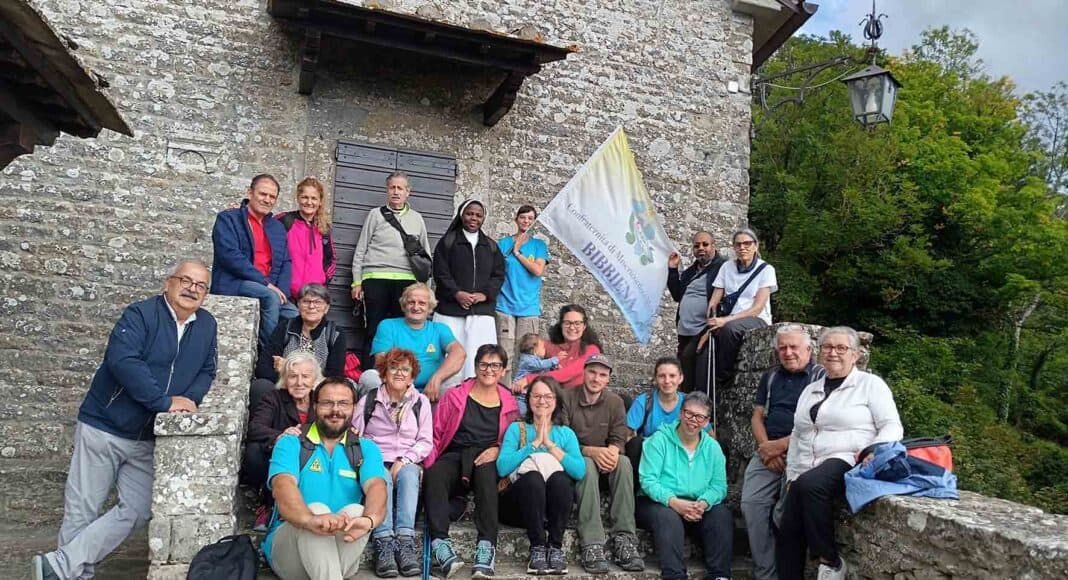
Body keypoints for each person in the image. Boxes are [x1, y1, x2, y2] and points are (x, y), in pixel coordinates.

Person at [32, 260, 218, 580]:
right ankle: (74, 575)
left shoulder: (207, 325)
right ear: (168, 282)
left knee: (138, 510)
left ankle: (59, 566)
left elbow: (207, 370)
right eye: (185, 280)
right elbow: (124, 362)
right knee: (82, 512)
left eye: (200, 285)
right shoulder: (140, 314)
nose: (192, 289)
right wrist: (163, 403)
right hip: (105, 426)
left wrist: (191, 401)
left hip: (147, 437)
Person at [777, 327, 903, 580]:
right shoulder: (811, 390)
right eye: (827, 347)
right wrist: (791, 475)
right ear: (820, 352)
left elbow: (892, 425)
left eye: (841, 348)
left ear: (855, 355)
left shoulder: (870, 385)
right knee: (788, 528)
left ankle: (830, 561)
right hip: (805, 466)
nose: (833, 353)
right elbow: (799, 434)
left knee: (811, 485)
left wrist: (874, 449)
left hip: (849, 457)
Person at [263, 377, 389, 580]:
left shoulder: (365, 448)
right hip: (290, 550)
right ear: (315, 406)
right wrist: (310, 520)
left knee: (358, 511)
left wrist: (370, 520)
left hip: (340, 553)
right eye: (327, 403)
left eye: (343, 403)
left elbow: (376, 486)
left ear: (354, 408)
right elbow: (282, 486)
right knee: (317, 510)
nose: (335, 410)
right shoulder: (291, 443)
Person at [423, 345, 520, 578]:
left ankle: (486, 546)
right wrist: (427, 466)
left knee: (487, 475)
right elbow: (435, 434)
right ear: (476, 367)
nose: (489, 370)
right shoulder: (455, 396)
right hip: (456, 453)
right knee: (435, 474)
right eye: (484, 364)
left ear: (503, 370)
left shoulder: (510, 403)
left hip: (488, 456)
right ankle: (441, 545)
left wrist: (497, 450)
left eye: (495, 365)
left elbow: (513, 439)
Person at [740, 324, 825, 580]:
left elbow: (819, 423)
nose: (788, 352)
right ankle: (766, 574)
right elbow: (757, 416)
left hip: (803, 453)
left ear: (809, 349)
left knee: (784, 514)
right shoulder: (771, 376)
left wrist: (780, 447)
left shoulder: (821, 377)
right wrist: (766, 448)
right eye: (783, 348)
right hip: (767, 450)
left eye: (794, 347)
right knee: (751, 504)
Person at [352, 348, 433, 578]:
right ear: (384, 373)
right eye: (394, 368)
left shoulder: (421, 402)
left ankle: (406, 541)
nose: (399, 373)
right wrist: (373, 458)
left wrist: (405, 459)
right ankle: (384, 541)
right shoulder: (369, 400)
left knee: (408, 474)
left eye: (405, 369)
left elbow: (425, 441)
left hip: (407, 459)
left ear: (412, 376)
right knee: (382, 478)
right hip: (375, 459)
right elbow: (356, 436)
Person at [560, 354, 644, 574]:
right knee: (586, 465)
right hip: (576, 460)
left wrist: (612, 453)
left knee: (624, 463)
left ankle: (624, 538)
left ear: (608, 379)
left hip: (605, 462)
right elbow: (561, 440)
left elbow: (618, 438)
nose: (596, 378)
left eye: (602, 375)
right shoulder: (567, 398)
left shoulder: (615, 402)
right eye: (592, 372)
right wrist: (590, 451)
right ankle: (592, 543)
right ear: (584, 373)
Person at [637, 392, 733, 580]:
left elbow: (719, 486)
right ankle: (674, 575)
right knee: (668, 517)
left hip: (696, 507)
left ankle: (719, 575)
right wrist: (674, 502)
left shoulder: (713, 448)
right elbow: (648, 480)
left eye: (700, 417)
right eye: (688, 413)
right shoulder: (659, 440)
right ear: (680, 414)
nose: (692, 420)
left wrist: (703, 504)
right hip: (658, 503)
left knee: (722, 514)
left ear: (706, 422)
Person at [497, 376, 584, 575]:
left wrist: (550, 445)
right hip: (519, 506)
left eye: (548, 397)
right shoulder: (516, 429)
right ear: (528, 400)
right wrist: (535, 443)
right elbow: (502, 468)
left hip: (551, 510)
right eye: (536, 396)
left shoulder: (565, 434)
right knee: (533, 478)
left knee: (562, 480)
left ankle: (555, 547)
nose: (542, 401)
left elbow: (579, 471)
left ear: (556, 401)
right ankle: (537, 547)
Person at [351, 171, 432, 371]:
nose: (396, 192)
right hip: (375, 278)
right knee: (374, 329)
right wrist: (356, 281)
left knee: (403, 330)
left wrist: (426, 290)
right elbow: (361, 248)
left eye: (400, 188)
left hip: (407, 282)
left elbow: (425, 256)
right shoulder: (375, 215)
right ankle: (369, 375)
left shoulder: (417, 218)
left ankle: (400, 373)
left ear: (408, 192)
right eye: (392, 188)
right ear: (387, 190)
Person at [211, 173, 298, 347]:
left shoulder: (277, 227)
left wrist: (281, 291)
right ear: (250, 193)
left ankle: (293, 364)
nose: (267, 200)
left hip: (268, 286)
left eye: (272, 196)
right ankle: (267, 355)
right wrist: (267, 285)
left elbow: (286, 262)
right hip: (235, 282)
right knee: (270, 297)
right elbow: (230, 256)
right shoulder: (229, 218)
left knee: (297, 316)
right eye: (263, 194)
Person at [243, 351, 322, 532]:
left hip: (313, 455)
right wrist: (280, 435)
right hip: (280, 459)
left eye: (305, 376)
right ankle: (268, 504)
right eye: (293, 376)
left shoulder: (321, 400)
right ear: (285, 379)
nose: (299, 382)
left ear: (314, 379)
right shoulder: (274, 397)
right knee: (254, 452)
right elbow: (255, 427)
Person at [432, 199, 506, 382]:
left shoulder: (490, 246)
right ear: (461, 215)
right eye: (470, 214)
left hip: (481, 313)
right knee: (450, 360)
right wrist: (457, 293)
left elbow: (498, 275)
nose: (474, 218)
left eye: (478, 215)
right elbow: (440, 272)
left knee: (479, 360)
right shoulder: (447, 242)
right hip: (450, 311)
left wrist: (485, 294)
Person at [697, 228, 778, 394]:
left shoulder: (766, 270)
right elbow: (714, 299)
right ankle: (701, 394)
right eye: (738, 244)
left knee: (729, 329)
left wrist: (725, 320)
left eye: (747, 243)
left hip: (755, 318)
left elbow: (757, 308)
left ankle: (723, 379)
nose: (743, 247)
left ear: (756, 246)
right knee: (700, 348)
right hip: (726, 319)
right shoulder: (727, 267)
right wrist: (711, 319)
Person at [358, 282, 465, 402]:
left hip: (429, 389)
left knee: (454, 382)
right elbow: (381, 361)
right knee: (369, 377)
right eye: (411, 302)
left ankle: (440, 421)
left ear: (430, 307)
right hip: (394, 385)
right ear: (404, 305)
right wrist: (405, 386)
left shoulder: (439, 329)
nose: (416, 307)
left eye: (422, 303)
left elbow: (459, 353)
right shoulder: (387, 325)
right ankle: (380, 419)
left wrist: (437, 378)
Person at [251, 283, 346, 411]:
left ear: (326, 307)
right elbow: (263, 367)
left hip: (316, 392)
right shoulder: (285, 327)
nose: (311, 306)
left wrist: (287, 369)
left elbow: (335, 376)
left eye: (317, 302)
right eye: (306, 301)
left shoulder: (335, 334)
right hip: (283, 388)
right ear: (298, 305)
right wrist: (290, 383)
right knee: (260, 386)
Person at [495, 205, 550, 384]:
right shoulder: (503, 244)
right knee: (505, 354)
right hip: (505, 306)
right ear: (516, 218)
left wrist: (518, 252)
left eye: (530, 218)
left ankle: (521, 396)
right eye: (523, 217)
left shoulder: (538, 246)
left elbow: (538, 270)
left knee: (528, 357)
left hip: (528, 308)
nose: (526, 221)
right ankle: (503, 395)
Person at [667, 231, 726, 391]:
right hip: (684, 328)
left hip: (703, 327)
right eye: (696, 245)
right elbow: (677, 294)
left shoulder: (723, 268)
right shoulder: (690, 272)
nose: (701, 248)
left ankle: (692, 403)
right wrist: (673, 270)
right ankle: (686, 403)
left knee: (688, 359)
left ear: (714, 246)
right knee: (684, 366)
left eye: (705, 244)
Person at [624, 356, 688, 486]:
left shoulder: (689, 403)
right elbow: (626, 433)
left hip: (680, 456)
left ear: (680, 378)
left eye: (672, 376)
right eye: (662, 376)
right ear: (655, 379)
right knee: (635, 445)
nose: (667, 381)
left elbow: (708, 435)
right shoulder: (645, 401)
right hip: (651, 456)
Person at [512, 304, 600, 391]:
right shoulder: (549, 346)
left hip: (577, 401)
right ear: (561, 324)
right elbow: (527, 351)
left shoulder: (592, 350)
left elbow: (568, 373)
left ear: (584, 326)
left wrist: (529, 379)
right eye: (567, 323)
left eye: (577, 323)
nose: (572, 327)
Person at [277, 176, 336, 300]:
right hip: (286, 294)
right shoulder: (284, 220)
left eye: (314, 198)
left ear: (320, 201)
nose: (309, 202)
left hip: (314, 297)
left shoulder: (324, 228)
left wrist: (323, 281)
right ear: (298, 198)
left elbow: (331, 259)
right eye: (305, 197)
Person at [511, 333, 560, 414]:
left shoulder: (536, 360)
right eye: (543, 347)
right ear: (534, 349)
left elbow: (544, 370)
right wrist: (555, 359)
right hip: (521, 395)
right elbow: (540, 365)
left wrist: (553, 368)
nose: (545, 349)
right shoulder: (527, 360)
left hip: (529, 394)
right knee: (522, 414)